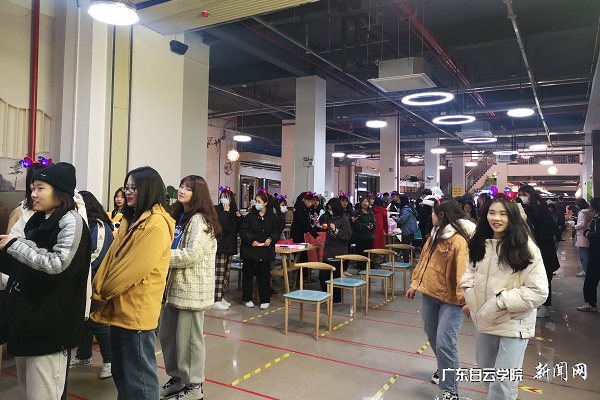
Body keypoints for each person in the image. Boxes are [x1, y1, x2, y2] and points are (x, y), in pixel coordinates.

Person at [0, 162, 91, 400]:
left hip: (50, 329)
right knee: (30, 391)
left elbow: (58, 265)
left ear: (59, 191)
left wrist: (14, 245)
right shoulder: (38, 220)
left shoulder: (71, 221)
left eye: (40, 188)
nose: (33, 194)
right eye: (32, 188)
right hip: (28, 325)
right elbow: (25, 265)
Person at [91, 166, 175, 400]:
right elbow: (112, 256)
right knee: (122, 373)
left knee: (140, 378)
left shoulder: (156, 223)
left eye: (134, 188)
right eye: (126, 187)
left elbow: (132, 269)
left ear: (148, 189)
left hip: (136, 310)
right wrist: (99, 287)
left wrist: (104, 291)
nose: (128, 193)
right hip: (119, 306)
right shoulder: (132, 218)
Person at [462, 195, 548, 400]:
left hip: (514, 324)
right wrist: (470, 294)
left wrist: (500, 302)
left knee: (503, 383)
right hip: (485, 321)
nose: (496, 218)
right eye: (492, 213)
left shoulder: (525, 247)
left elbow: (538, 291)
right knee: (487, 374)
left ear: (513, 217)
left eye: (503, 214)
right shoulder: (481, 243)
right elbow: (470, 272)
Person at [406, 198, 475, 400]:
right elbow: (423, 262)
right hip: (430, 293)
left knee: (445, 341)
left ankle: (451, 390)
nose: (431, 215)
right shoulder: (435, 235)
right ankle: (444, 368)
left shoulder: (459, 240)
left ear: (442, 214)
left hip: (452, 300)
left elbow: (463, 271)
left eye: (433, 212)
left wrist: (465, 300)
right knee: (433, 335)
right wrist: (415, 284)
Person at [159, 175, 221, 400]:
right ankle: (177, 379)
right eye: (181, 186)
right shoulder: (179, 217)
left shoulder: (200, 221)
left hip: (191, 290)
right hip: (173, 288)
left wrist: (159, 256)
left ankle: (194, 386)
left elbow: (191, 255)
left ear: (198, 194)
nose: (182, 190)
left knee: (190, 341)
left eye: (188, 188)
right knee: (169, 337)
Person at [68, 190, 114, 380]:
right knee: (85, 320)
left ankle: (110, 361)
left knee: (98, 322)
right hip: (86, 280)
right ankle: (84, 355)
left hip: (96, 282)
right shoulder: (89, 225)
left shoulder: (100, 227)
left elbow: (95, 256)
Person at [518, 185, 560, 318]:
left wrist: (537, 240)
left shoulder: (539, 209)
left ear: (531, 194)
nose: (522, 197)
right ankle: (540, 304)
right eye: (521, 195)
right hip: (536, 247)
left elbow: (550, 228)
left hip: (544, 249)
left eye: (525, 194)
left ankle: (545, 306)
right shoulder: (530, 208)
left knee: (545, 277)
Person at [239, 189, 282, 310]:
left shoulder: (272, 217)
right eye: (256, 201)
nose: (256, 203)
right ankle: (247, 298)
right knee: (248, 275)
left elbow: (277, 230)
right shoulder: (249, 217)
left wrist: (270, 238)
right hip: (250, 251)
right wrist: (252, 240)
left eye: (259, 201)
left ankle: (265, 299)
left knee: (264, 276)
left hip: (265, 251)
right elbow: (243, 231)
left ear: (265, 203)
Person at [213, 186, 242, 310]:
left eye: (226, 197)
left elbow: (236, 229)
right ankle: (215, 299)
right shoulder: (217, 211)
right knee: (218, 275)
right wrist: (225, 212)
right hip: (220, 247)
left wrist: (239, 218)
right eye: (222, 197)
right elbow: (221, 226)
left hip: (230, 246)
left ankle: (221, 296)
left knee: (226, 274)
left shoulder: (233, 211)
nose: (223, 199)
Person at [319, 198, 353, 303]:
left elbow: (347, 235)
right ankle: (326, 297)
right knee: (323, 276)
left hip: (338, 253)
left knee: (335, 279)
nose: (330, 211)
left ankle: (336, 299)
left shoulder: (343, 220)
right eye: (328, 209)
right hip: (328, 252)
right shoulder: (329, 218)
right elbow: (324, 227)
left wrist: (336, 230)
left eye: (331, 209)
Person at [578, 197, 600, 312]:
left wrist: (587, 234)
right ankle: (591, 303)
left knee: (591, 279)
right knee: (591, 279)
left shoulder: (598, 219)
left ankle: (591, 303)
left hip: (596, 254)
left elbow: (597, 236)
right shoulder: (595, 217)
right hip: (595, 252)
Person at [351, 197, 376, 270]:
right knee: (360, 253)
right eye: (363, 202)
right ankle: (360, 268)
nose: (365, 203)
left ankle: (367, 268)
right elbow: (356, 225)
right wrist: (365, 226)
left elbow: (375, 223)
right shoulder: (357, 213)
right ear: (360, 203)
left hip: (369, 237)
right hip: (360, 237)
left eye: (366, 202)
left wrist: (372, 226)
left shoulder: (371, 213)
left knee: (368, 253)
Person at [395, 194, 418, 262]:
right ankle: (412, 257)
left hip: (407, 230)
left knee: (405, 247)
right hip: (411, 229)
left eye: (399, 199)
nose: (398, 201)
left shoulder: (405, 210)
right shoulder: (409, 207)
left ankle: (406, 262)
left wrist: (395, 218)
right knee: (408, 245)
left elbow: (403, 220)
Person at [572, 198, 592, 277]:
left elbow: (582, 224)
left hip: (581, 235)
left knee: (583, 254)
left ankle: (585, 270)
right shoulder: (590, 211)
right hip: (588, 233)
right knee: (588, 253)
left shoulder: (581, 212)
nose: (576, 207)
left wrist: (574, 226)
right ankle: (588, 270)